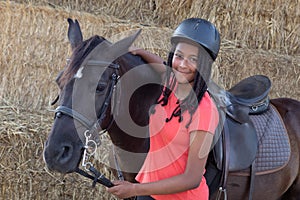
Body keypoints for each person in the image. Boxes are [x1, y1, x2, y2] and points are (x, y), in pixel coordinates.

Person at [107, 18, 221, 200]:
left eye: (193, 59)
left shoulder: (205, 110)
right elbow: (163, 67)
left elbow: (192, 178)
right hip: (149, 192)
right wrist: (138, 52)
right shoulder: (170, 84)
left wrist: (134, 190)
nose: (183, 64)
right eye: (179, 55)